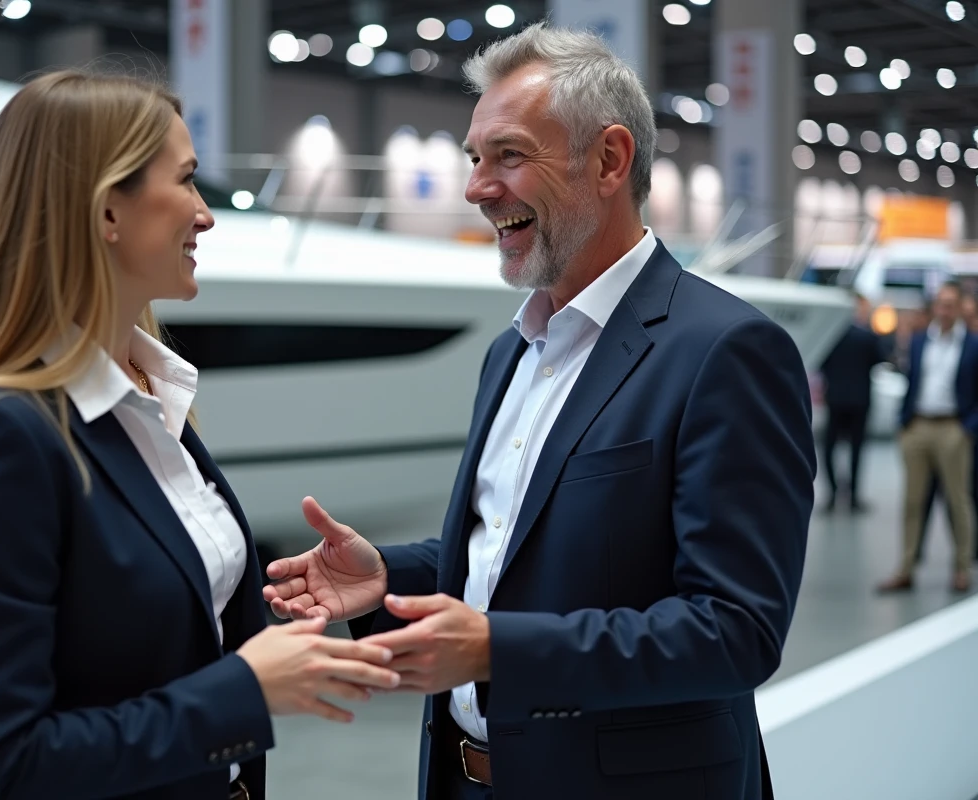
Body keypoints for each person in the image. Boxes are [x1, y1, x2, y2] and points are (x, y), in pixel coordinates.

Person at [266, 23, 813, 800]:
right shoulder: (511, 351)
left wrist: (498, 650)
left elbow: (735, 630)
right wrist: (390, 575)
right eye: (475, 158)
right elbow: (513, 548)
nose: (476, 187)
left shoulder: (725, 351)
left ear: (610, 160)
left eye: (509, 155)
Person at [0, 71, 400, 800]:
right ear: (108, 210)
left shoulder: (150, 393)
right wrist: (243, 692)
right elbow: (4, 763)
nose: (206, 215)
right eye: (186, 180)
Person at [878, 281, 977, 593]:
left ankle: (961, 567)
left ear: (959, 308)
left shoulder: (972, 344)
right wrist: (903, 423)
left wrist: (967, 428)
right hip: (918, 426)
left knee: (958, 500)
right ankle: (906, 567)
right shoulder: (920, 340)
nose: (944, 311)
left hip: (953, 428)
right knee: (912, 501)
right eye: (941, 304)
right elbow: (912, 380)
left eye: (950, 305)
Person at [818, 292, 888, 512]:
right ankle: (854, 496)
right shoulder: (867, 337)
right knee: (856, 449)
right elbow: (880, 359)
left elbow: (820, 362)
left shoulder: (830, 335)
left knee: (830, 447)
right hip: (860, 399)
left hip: (836, 398)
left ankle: (833, 494)